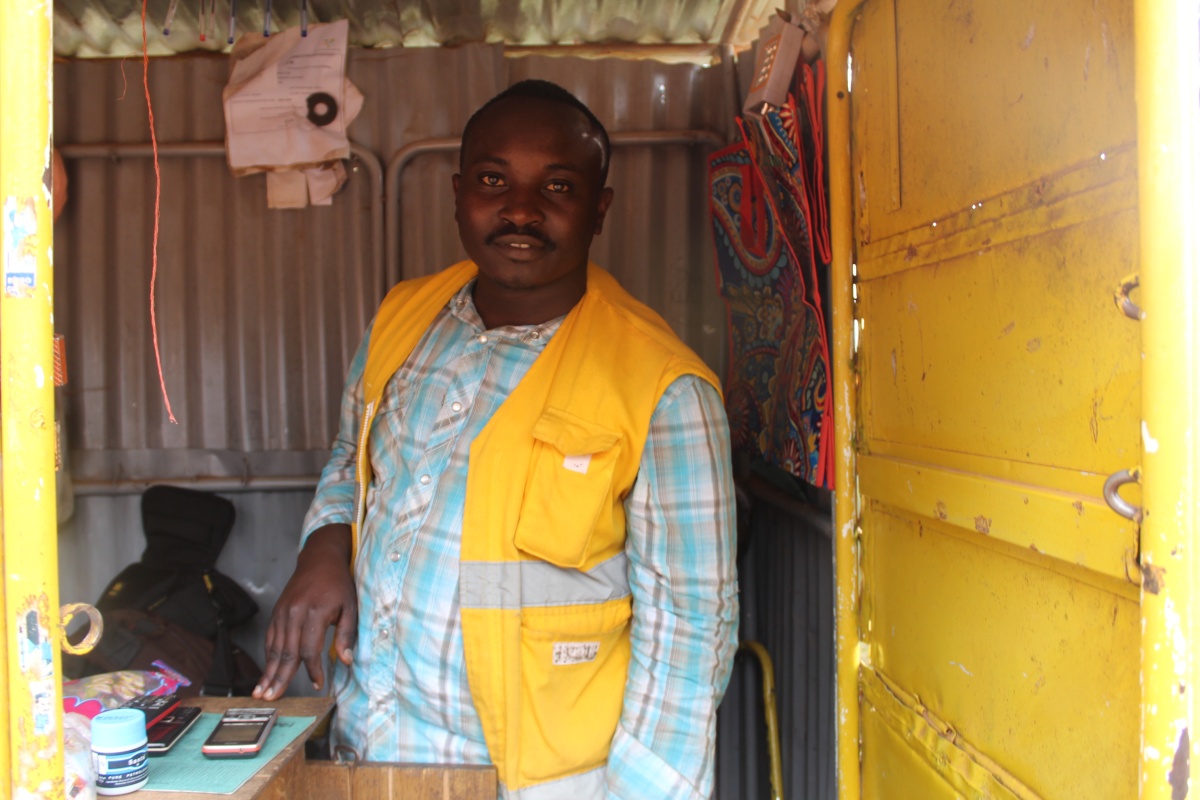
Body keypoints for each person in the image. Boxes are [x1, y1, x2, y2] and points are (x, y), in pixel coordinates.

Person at [253, 79, 739, 799]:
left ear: (598, 210)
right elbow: (350, 460)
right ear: (457, 194)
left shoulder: (665, 389)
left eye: (559, 186)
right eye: (492, 180)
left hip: (537, 783)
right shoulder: (403, 315)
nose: (520, 209)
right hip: (372, 746)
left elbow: (692, 638)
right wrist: (328, 541)